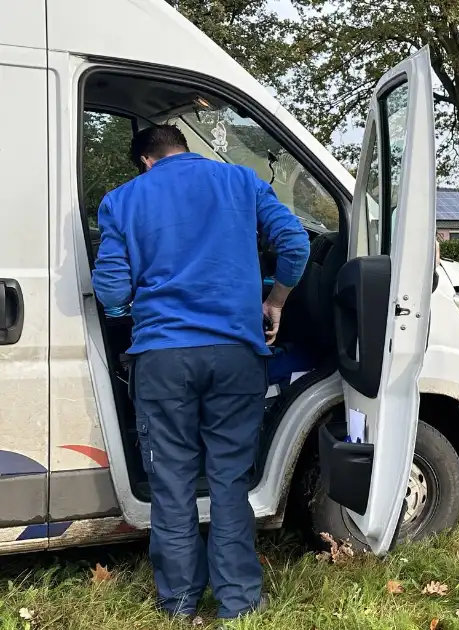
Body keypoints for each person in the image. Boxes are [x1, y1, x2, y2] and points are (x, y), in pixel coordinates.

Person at [92, 125, 310, 620]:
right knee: (230, 478)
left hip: (163, 359)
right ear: (183, 150)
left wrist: (138, 314)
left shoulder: (122, 199)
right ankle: (238, 601)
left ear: (146, 161)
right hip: (236, 354)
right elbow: (294, 243)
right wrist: (274, 301)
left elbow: (109, 288)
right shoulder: (242, 181)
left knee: (171, 481)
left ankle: (180, 604)